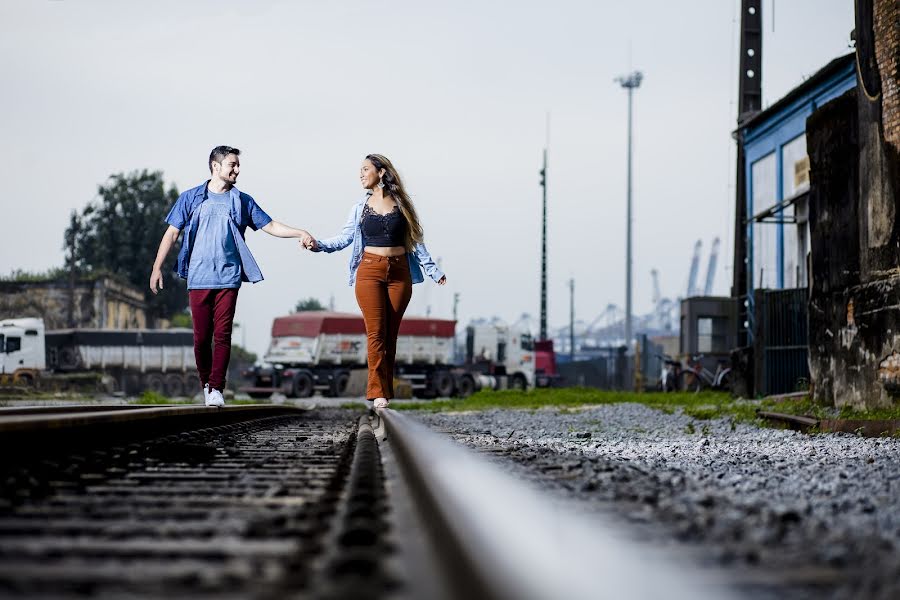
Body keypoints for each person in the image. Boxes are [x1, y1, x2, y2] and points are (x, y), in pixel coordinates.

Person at [149, 145, 313, 407]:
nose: (237, 169)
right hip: (198, 278)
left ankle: (216, 388)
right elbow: (171, 233)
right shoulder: (191, 198)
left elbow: (269, 225)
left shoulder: (242, 201)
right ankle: (206, 383)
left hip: (228, 277)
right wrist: (157, 268)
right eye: (232, 165)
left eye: (238, 165)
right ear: (216, 166)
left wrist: (299, 232)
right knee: (201, 338)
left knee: (222, 335)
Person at [304, 154, 446, 409]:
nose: (360, 174)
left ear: (381, 172)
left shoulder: (402, 204)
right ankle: (377, 392)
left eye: (365, 169)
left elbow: (416, 239)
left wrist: (433, 271)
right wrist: (318, 245)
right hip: (369, 271)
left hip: (400, 273)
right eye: (360, 170)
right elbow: (344, 238)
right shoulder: (359, 207)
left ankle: (385, 390)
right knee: (376, 333)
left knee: (390, 335)